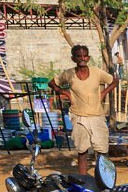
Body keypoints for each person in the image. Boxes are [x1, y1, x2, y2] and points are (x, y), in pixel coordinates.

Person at [49, 45, 119, 175]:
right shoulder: (68, 74)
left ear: (88, 57)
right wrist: (63, 92)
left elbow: (114, 81)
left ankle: (104, 178)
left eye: (85, 56)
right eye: (78, 56)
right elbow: (52, 83)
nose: (82, 58)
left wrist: (104, 92)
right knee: (82, 151)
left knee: (102, 150)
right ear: (73, 58)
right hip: (79, 116)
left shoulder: (97, 72)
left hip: (97, 116)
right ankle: (84, 179)